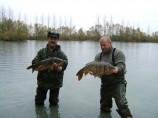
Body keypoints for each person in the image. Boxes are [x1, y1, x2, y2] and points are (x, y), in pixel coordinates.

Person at [91, 36, 132, 118]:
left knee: (121, 104)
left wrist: (116, 69)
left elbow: (122, 67)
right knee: (104, 106)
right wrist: (94, 73)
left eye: (104, 45)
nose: (102, 47)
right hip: (105, 83)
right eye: (101, 45)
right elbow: (98, 73)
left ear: (110, 43)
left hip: (118, 83)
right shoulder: (98, 56)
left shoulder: (118, 53)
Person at [31, 31, 68, 106]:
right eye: (51, 38)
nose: (53, 40)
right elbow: (35, 61)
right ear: (48, 39)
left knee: (54, 103)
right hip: (42, 82)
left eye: (55, 39)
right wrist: (37, 67)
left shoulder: (61, 54)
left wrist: (59, 69)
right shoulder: (41, 52)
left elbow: (65, 64)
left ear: (57, 40)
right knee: (38, 103)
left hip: (55, 83)